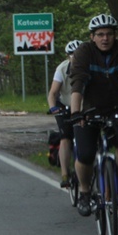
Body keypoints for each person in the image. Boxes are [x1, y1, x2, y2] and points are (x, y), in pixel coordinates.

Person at [70, 14, 118, 217]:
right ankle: (85, 193)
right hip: (89, 110)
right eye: (100, 34)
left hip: (116, 108)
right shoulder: (84, 52)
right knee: (85, 154)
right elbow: (78, 83)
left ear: (115, 35)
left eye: (109, 34)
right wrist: (76, 113)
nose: (105, 38)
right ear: (92, 37)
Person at [46, 39, 82, 188]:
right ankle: (65, 174)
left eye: (79, 54)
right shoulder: (61, 69)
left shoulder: (91, 68)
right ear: (68, 57)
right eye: (73, 55)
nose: (76, 58)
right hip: (65, 106)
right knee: (66, 137)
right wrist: (54, 108)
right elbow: (53, 93)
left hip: (83, 106)